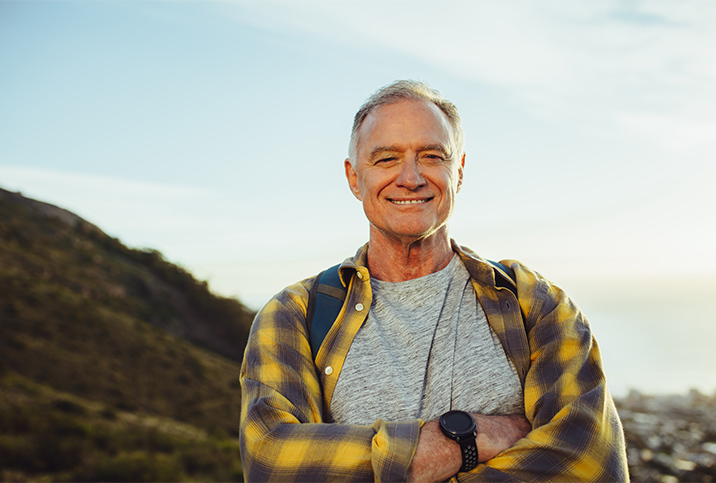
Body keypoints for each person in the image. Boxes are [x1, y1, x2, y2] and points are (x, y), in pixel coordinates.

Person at [240, 80, 629, 482]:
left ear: (458, 172)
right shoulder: (295, 315)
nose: (410, 178)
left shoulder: (536, 304)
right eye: (387, 159)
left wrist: (379, 462)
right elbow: (272, 462)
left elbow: (590, 464)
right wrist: (465, 438)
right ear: (354, 178)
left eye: (431, 156)